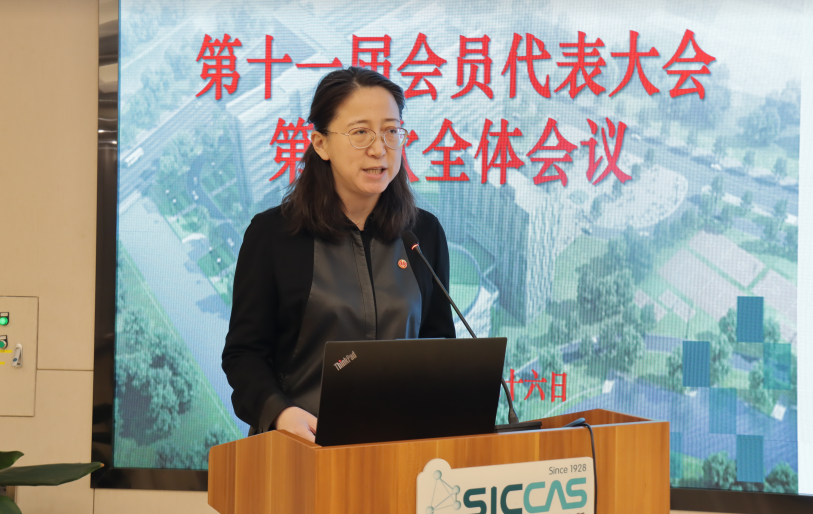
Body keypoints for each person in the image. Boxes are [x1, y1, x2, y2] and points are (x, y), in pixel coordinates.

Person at [222, 67, 455, 443]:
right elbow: (244, 355)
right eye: (360, 132)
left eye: (391, 131)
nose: (379, 148)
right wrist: (279, 412)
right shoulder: (273, 236)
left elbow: (439, 345)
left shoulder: (422, 234)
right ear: (321, 144)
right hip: (301, 448)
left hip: (401, 448)